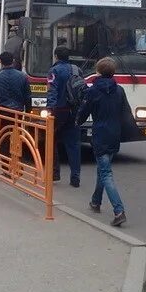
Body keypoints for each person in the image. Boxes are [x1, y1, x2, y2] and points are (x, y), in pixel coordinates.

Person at [77, 57, 127, 227]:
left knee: (106, 173)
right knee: (103, 169)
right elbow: (123, 111)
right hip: (114, 134)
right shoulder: (119, 90)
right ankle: (95, 202)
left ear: (98, 71)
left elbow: (84, 111)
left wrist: (77, 121)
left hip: (100, 134)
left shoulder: (93, 91)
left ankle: (119, 210)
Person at [46, 46, 81, 188]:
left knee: (51, 141)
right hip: (74, 110)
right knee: (73, 144)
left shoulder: (54, 71)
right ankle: (75, 177)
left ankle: (54, 174)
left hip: (59, 110)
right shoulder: (76, 70)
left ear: (56, 57)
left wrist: (50, 109)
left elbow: (52, 90)